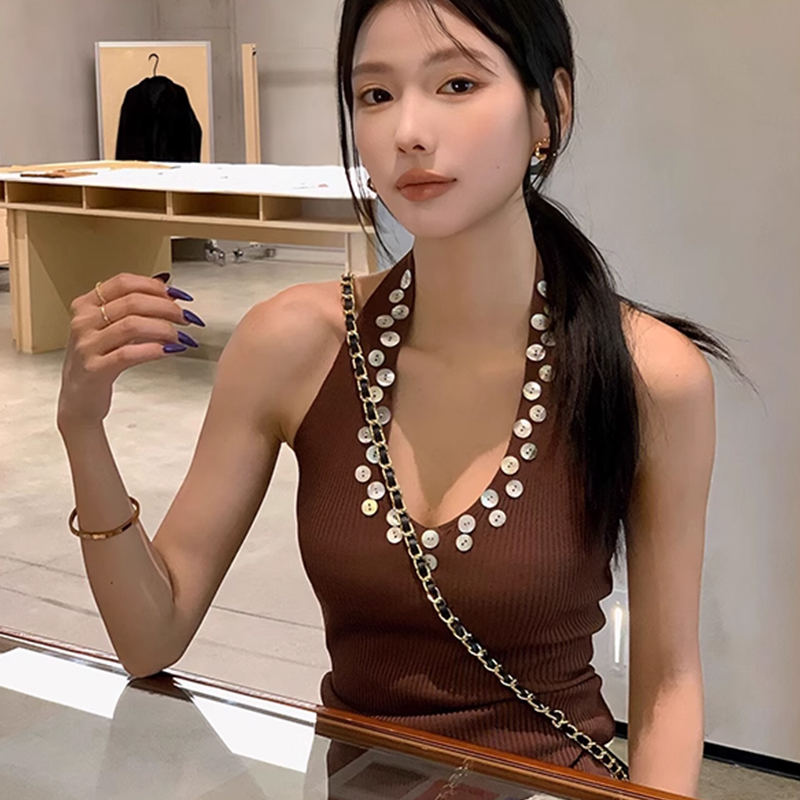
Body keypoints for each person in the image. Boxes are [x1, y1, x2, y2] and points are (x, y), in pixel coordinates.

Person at [57, 0, 750, 795]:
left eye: (457, 84)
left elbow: (667, 686)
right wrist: (83, 427)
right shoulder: (295, 345)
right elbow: (151, 639)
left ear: (548, 110)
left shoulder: (647, 374)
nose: (409, 132)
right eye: (375, 95)